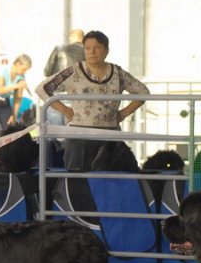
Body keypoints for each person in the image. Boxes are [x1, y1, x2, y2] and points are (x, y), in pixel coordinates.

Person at [35, 30, 149, 171]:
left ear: (106, 51)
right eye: (87, 48)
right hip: (78, 138)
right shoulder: (73, 71)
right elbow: (42, 88)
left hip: (110, 138)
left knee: (110, 180)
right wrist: (65, 110)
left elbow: (143, 92)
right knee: (76, 182)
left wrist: (123, 114)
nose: (91, 52)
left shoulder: (118, 73)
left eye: (97, 48)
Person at [0, 54, 32, 134]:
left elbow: (18, 98)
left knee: (9, 130)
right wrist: (17, 85)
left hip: (5, 103)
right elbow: (0, 90)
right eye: (24, 69)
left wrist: (14, 116)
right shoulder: (2, 70)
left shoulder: (21, 76)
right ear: (18, 64)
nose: (24, 72)